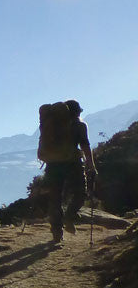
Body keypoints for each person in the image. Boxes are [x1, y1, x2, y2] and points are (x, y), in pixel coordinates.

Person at [43, 100, 97, 243]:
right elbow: (85, 144)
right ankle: (69, 217)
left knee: (55, 198)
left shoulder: (53, 125)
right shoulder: (80, 125)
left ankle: (56, 233)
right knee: (80, 192)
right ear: (77, 111)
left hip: (53, 164)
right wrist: (91, 165)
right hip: (72, 164)